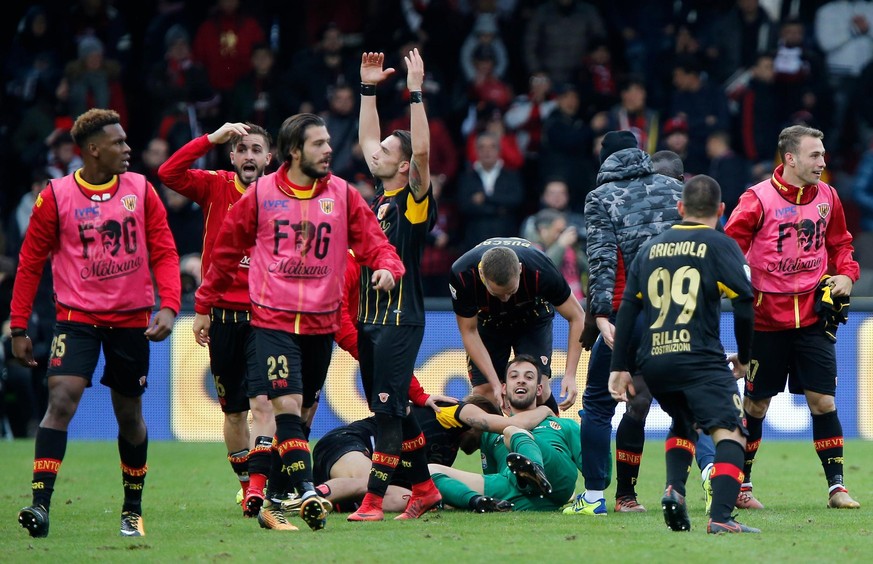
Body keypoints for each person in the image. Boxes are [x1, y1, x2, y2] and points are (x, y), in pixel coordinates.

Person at [192, 113, 405, 532]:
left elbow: (375, 243)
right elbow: (224, 254)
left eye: (328, 142)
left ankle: (276, 488)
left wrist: (386, 267)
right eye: (319, 143)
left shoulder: (342, 195)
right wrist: (204, 304)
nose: (329, 150)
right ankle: (305, 489)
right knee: (282, 404)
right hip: (271, 321)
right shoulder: (260, 196)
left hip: (320, 325)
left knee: (304, 408)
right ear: (294, 151)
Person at [11, 108, 181, 538]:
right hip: (77, 318)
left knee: (128, 414)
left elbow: (164, 251)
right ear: (92, 151)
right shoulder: (56, 196)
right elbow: (30, 262)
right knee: (62, 400)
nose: (127, 149)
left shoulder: (141, 191)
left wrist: (169, 306)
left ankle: (132, 507)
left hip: (130, 320)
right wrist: (17, 327)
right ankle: (40, 505)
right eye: (118, 143)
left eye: (126, 141)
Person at [608, 174, 759, 534]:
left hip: (655, 360)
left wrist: (621, 367)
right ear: (721, 210)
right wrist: (746, 356)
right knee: (733, 434)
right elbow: (744, 303)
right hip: (700, 358)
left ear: (680, 208)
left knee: (683, 424)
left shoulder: (651, 248)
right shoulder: (719, 244)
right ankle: (722, 518)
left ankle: (674, 489)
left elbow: (628, 309)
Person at [724, 125, 861, 510]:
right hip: (766, 322)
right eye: (814, 155)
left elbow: (841, 245)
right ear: (790, 159)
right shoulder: (756, 200)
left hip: (815, 318)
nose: (822, 161)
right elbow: (729, 250)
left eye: (822, 154)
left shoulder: (829, 196)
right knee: (756, 407)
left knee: (823, 402)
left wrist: (847, 274)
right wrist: (740, 288)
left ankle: (837, 488)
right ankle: (742, 485)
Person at [157, 121, 275, 517]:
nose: (248, 156)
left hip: (265, 315)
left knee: (265, 402)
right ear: (231, 156)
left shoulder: (281, 195)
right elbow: (168, 173)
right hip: (221, 315)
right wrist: (210, 138)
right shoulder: (215, 185)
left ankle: (261, 485)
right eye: (241, 149)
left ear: (269, 158)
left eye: (256, 149)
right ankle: (247, 487)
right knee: (233, 411)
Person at [348, 49, 441, 523]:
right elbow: (367, 139)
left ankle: (372, 501)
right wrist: (367, 90)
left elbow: (421, 151)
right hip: (368, 320)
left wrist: (415, 91)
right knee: (395, 410)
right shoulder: (379, 197)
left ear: (405, 167)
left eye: (387, 150)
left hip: (400, 321)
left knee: (387, 414)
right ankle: (424, 489)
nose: (375, 152)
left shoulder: (413, 201)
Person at [569, 130, 682, 516]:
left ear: (606, 160)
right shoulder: (673, 187)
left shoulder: (600, 197)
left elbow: (600, 259)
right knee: (691, 403)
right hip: (680, 313)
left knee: (600, 405)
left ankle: (598, 497)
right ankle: (717, 487)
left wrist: (600, 316)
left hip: (629, 315)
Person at [312, 394, 554, 513]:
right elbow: (516, 424)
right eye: (484, 435)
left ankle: (332, 500)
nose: (482, 445)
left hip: (347, 468)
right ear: (479, 424)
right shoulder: (453, 412)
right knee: (369, 482)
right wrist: (545, 409)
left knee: (410, 499)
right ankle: (305, 497)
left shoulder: (447, 454)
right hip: (349, 442)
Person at [429, 354, 583, 512]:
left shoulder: (563, 425)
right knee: (429, 471)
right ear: (503, 388)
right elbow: (492, 475)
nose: (521, 380)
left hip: (557, 478)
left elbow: (601, 475)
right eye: (514, 376)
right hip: (512, 485)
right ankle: (478, 502)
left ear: (539, 389)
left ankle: (536, 472)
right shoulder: (490, 434)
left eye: (529, 377)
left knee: (512, 431)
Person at [449, 237, 585, 413]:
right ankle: (496, 439)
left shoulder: (540, 268)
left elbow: (577, 316)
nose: (506, 299)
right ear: (482, 275)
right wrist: (496, 384)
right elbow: (468, 331)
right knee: (484, 394)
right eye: (497, 294)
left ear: (520, 270)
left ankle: (551, 437)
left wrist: (570, 375)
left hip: (532, 318)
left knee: (537, 388)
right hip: (488, 322)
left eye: (511, 291)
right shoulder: (462, 274)